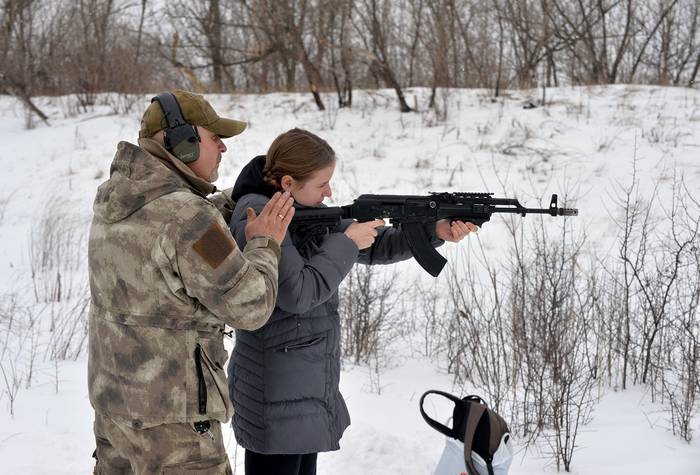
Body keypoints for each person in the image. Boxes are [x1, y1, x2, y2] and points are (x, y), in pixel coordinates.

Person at [226, 128, 476, 475]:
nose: (329, 192)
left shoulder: (302, 207)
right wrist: (346, 242)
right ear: (287, 182)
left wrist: (434, 231)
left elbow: (372, 243)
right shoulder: (259, 215)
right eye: (322, 184)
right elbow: (299, 293)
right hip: (276, 385)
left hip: (302, 380)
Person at [87, 90, 295, 474]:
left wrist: (229, 202)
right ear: (181, 142)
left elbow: (168, 239)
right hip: (176, 433)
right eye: (215, 138)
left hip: (117, 415)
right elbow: (251, 305)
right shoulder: (189, 218)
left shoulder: (118, 198)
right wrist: (266, 242)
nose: (223, 149)